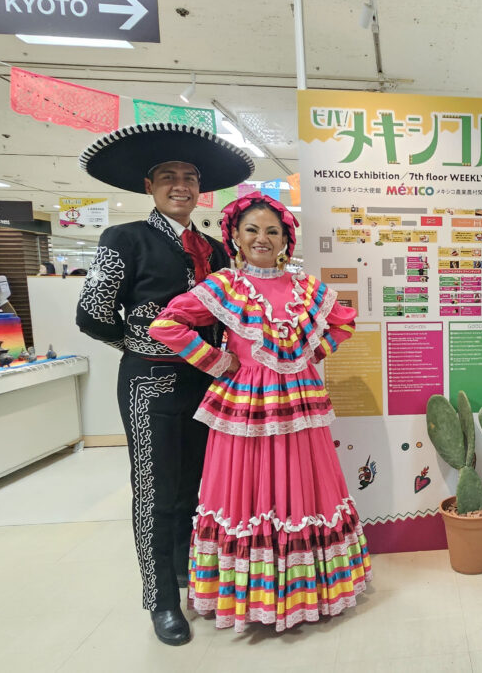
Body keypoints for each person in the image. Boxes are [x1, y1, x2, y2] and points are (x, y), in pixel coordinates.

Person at [148, 192, 371, 633]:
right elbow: (165, 325)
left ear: (287, 238)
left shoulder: (307, 287)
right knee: (246, 490)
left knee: (303, 487)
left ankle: (308, 592)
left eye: (273, 231)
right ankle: (254, 599)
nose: (262, 238)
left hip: (300, 406)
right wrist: (217, 361)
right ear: (234, 235)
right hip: (246, 406)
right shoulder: (225, 285)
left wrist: (316, 354)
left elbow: (345, 321)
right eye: (252, 230)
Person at [75, 123, 254, 645]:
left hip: (211, 383)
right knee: (157, 492)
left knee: (201, 488)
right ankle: (160, 600)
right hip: (150, 382)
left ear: (201, 189)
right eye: (169, 177)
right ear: (149, 185)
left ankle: (187, 572)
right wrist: (144, 345)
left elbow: (229, 317)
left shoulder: (218, 249)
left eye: (190, 177)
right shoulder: (124, 238)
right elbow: (92, 314)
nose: (181, 185)